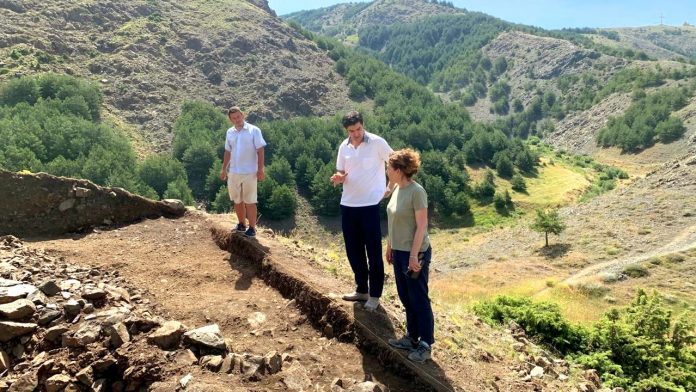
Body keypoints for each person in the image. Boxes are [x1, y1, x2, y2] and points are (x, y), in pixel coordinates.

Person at [331, 110, 393, 311]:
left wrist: (390, 186)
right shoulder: (344, 145)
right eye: (351, 130)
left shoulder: (377, 142)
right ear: (346, 130)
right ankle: (361, 289)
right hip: (348, 204)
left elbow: (395, 163)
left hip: (370, 205)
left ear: (363, 124)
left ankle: (375, 295)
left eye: (358, 129)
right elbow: (341, 169)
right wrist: (339, 177)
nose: (356, 134)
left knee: (373, 252)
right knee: (353, 251)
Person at [385, 148, 434, 364]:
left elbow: (422, 225)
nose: (386, 170)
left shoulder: (417, 191)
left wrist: (415, 256)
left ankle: (425, 343)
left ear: (398, 170)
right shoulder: (396, 189)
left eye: (388, 167)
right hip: (399, 251)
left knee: (419, 297)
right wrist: (389, 246)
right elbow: (394, 220)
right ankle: (411, 338)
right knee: (406, 296)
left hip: (416, 252)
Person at [219, 106, 266, 237]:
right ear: (230, 119)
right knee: (237, 200)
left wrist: (260, 169)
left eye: (238, 116)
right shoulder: (229, 132)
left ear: (243, 115)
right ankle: (241, 224)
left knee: (250, 201)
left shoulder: (254, 130)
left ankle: (252, 228)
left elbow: (260, 150)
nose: (237, 119)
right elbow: (227, 151)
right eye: (234, 118)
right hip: (234, 171)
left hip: (250, 172)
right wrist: (224, 169)